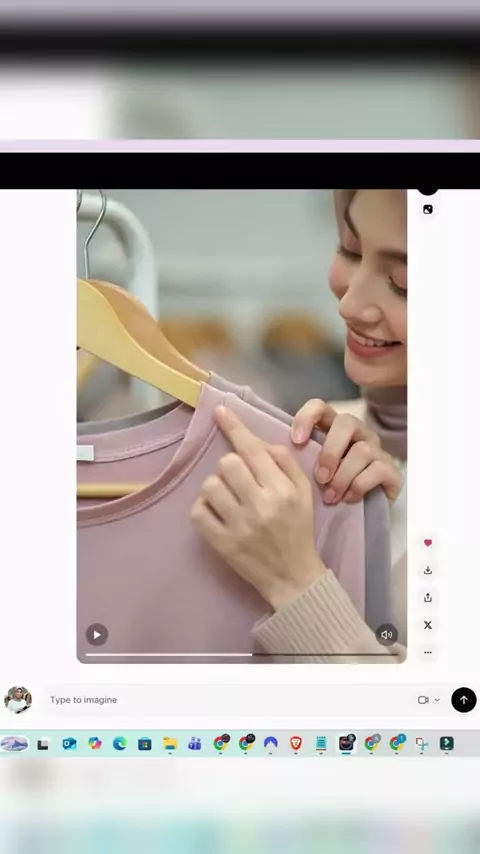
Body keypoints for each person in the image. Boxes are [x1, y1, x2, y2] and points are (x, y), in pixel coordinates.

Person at [191, 189, 406, 663]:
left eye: (402, 283)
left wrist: (294, 581)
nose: (349, 305)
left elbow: (427, 712)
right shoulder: (306, 444)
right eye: (350, 250)